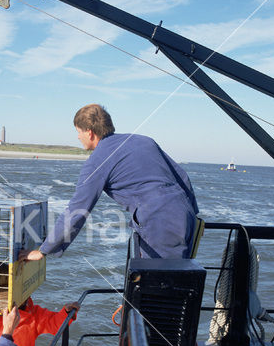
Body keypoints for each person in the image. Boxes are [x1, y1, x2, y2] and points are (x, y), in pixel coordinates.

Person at [20, 103, 199, 261]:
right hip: (185, 213)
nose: (77, 137)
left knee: (158, 287)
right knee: (178, 282)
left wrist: (43, 251)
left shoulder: (96, 162)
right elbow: (182, 177)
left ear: (89, 133)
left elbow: (77, 210)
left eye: (78, 132)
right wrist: (193, 216)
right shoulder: (143, 140)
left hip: (157, 220)